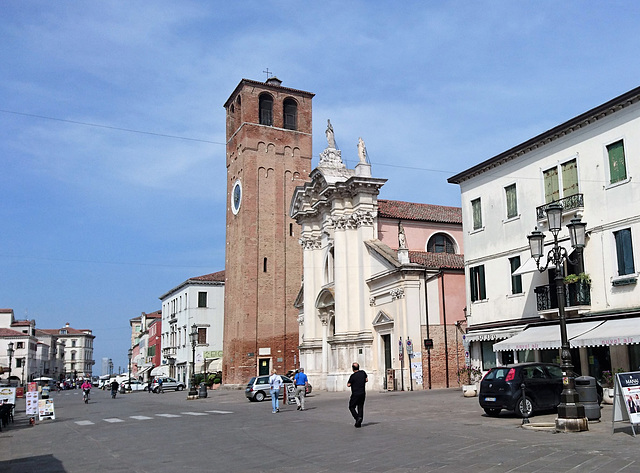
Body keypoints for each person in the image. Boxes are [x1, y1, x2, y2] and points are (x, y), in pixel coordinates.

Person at [347, 362, 368, 428]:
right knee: (360, 407)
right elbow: (366, 380)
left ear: (353, 369)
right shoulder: (363, 373)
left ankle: (357, 418)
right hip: (362, 393)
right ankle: (359, 422)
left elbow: (348, 384)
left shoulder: (353, 376)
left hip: (355, 394)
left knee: (351, 406)